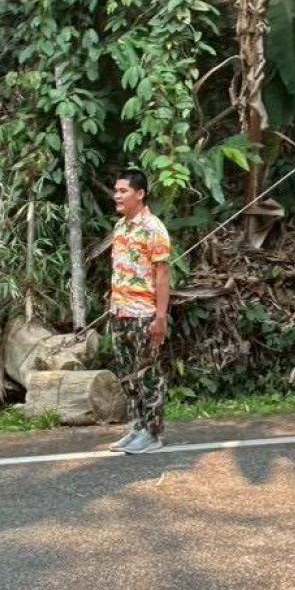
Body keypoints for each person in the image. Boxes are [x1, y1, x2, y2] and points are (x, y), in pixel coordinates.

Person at [106, 168, 173, 456]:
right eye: (116, 190)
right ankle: (138, 426)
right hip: (120, 311)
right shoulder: (121, 227)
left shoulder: (154, 228)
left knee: (147, 374)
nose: (117, 196)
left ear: (140, 194)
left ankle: (153, 433)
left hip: (144, 313)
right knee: (127, 375)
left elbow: (162, 275)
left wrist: (160, 317)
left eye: (123, 191)